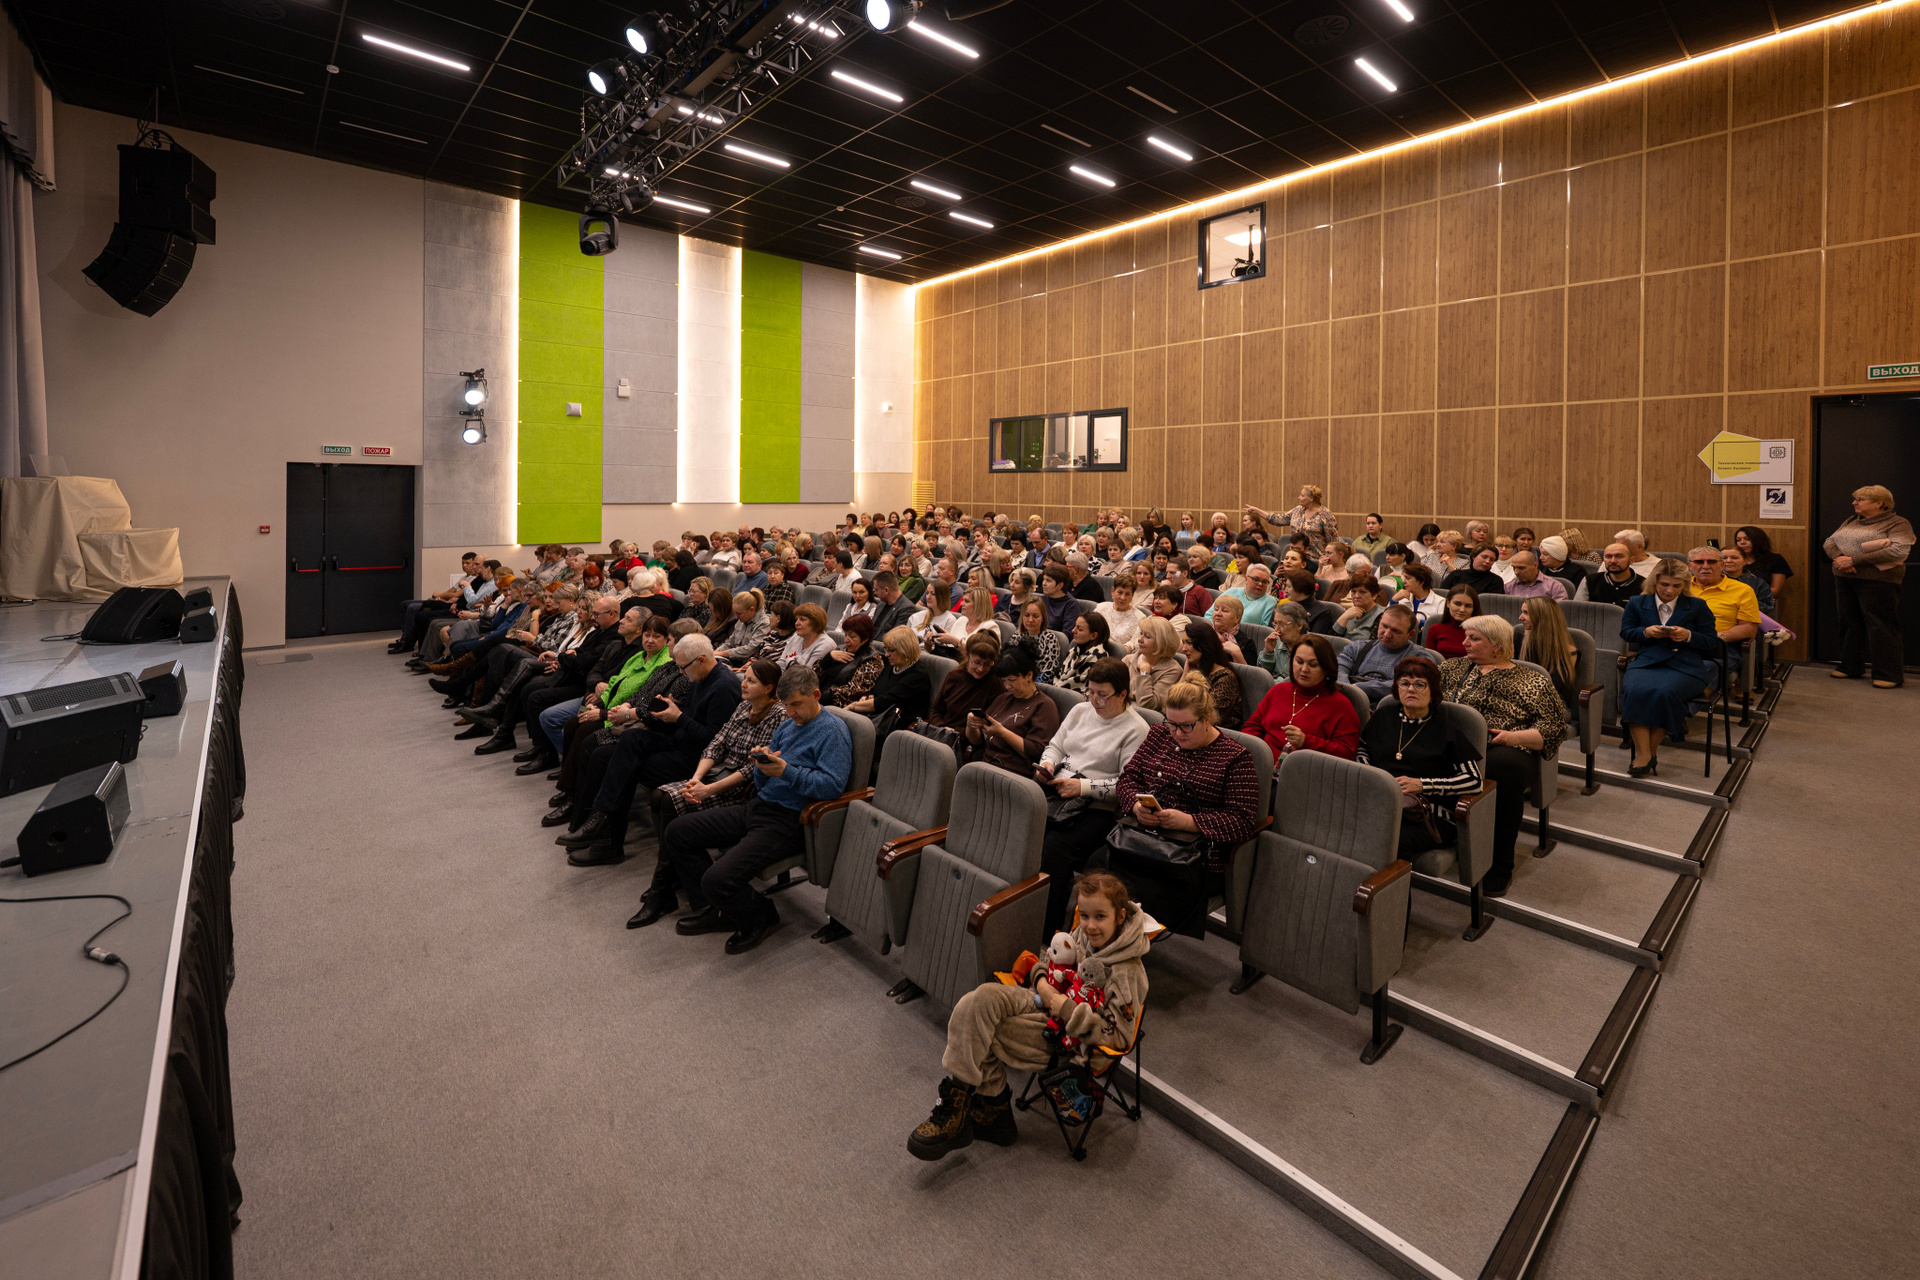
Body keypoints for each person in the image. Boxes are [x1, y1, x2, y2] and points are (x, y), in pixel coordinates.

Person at [909, 871, 1150, 1161]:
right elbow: (1049, 960)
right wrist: (1044, 985)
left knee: (982, 1030)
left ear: (1120, 916)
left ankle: (976, 1109)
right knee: (979, 1001)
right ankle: (981, 1109)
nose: (1089, 925)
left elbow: (1120, 1038)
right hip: (1047, 1002)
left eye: (1100, 916)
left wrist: (1065, 1008)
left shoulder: (1128, 973)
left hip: (1072, 1042)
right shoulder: (1084, 936)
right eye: (1084, 915)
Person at [659, 665, 852, 954]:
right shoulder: (788, 726)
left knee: (717, 879)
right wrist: (762, 766)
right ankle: (718, 909)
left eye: (796, 704)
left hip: (790, 820)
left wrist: (786, 772)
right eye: (786, 705)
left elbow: (832, 786)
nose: (790, 713)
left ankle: (762, 915)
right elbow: (764, 781)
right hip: (760, 806)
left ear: (815, 695)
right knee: (677, 832)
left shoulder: (832, 732)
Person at [560, 633, 745, 865]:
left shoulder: (723, 687)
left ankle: (606, 836)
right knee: (630, 740)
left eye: (683, 667)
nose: (681, 672)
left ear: (701, 660)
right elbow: (691, 718)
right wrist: (672, 710)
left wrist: (678, 717)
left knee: (623, 765)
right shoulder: (701, 676)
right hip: (680, 741)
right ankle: (601, 820)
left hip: (696, 758)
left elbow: (713, 741)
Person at [1099, 680, 1261, 937]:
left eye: (1186, 725)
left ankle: (1124, 948)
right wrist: (1136, 806)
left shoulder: (1235, 758)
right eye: (1171, 724)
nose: (1177, 733)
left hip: (1192, 858)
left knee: (1140, 889)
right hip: (1143, 838)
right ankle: (1107, 945)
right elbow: (1128, 778)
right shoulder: (1158, 735)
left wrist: (1189, 822)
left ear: (1207, 719)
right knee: (1099, 874)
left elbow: (1242, 822)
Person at [1440, 615, 1567, 897]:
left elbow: (1554, 727)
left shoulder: (1531, 680)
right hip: (1456, 742)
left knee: (1502, 769)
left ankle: (1500, 865)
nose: (1465, 642)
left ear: (1497, 645)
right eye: (1466, 636)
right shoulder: (1451, 668)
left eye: (1474, 638)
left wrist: (1512, 737)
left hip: (1508, 748)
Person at [1034, 662, 1153, 936]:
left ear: (1122, 694)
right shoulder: (1080, 710)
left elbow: (1127, 786)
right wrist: (1048, 764)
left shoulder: (1135, 729)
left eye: (1102, 695)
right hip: (1058, 789)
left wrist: (1082, 787)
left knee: (1055, 848)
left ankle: (1048, 929)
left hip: (1097, 808)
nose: (1095, 700)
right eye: (1091, 692)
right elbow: (1055, 746)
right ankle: (1016, 907)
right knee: (1023, 828)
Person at [1356, 655, 1485, 861]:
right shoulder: (1383, 716)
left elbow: (1474, 781)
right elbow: (1362, 750)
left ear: (1433, 691)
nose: (1411, 689)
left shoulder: (1446, 730)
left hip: (1428, 815)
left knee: (1389, 839)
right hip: (1382, 803)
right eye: (1404, 683)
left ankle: (1392, 883)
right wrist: (1373, 776)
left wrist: (1422, 784)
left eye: (1419, 684)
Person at [1620, 559, 1721, 777]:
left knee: (1663, 693)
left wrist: (1688, 635)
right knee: (1633, 691)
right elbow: (1626, 632)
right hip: (1647, 661)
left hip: (1684, 664)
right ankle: (1645, 754)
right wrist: (1645, 632)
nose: (1669, 590)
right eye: (1664, 584)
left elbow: (1711, 641)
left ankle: (1646, 754)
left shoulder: (1697, 606)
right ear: (1654, 582)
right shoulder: (1637, 602)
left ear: (1684, 584)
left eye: (1676, 586)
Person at [1825, 485, 1913, 688]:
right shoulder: (1851, 520)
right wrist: (1840, 559)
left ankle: (1888, 674)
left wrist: (1854, 560)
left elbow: (1898, 551)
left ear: (1879, 503)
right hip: (1844, 577)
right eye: (1855, 499)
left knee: (1881, 625)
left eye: (1860, 499)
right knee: (1848, 622)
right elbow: (1829, 542)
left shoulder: (1898, 523)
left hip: (1879, 581)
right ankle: (1850, 666)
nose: (1854, 503)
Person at [1245, 633, 1361, 761]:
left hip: (1307, 769)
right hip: (1262, 764)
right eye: (1299, 662)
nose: (1304, 669)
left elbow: (1347, 754)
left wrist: (1306, 741)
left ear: (1326, 668)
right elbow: (1251, 727)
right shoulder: (1278, 690)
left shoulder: (1341, 706)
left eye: (1313, 665)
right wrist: (1257, 756)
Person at [966, 645, 1060, 774]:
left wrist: (1003, 733)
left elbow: (1038, 752)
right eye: (1004, 681)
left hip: (1014, 774)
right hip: (986, 766)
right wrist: (971, 725)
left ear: (1029, 675)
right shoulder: (1003, 699)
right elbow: (978, 742)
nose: (1007, 686)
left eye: (1012, 680)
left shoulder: (1044, 706)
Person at [1338, 604, 1441, 705]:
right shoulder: (1356, 648)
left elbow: (1407, 686)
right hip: (1350, 702)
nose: (1387, 634)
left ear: (1410, 634)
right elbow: (1337, 672)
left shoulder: (1419, 658)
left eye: (1396, 631)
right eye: (1384, 626)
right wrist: (1350, 694)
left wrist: (1358, 688)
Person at [1685, 546, 1761, 682]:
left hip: (1721, 647)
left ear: (1722, 565)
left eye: (1712, 562)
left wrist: (1715, 637)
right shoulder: (1679, 587)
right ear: (1689, 566)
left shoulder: (1743, 590)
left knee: (1700, 671)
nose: (1706, 566)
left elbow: (1749, 628)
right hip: (1682, 644)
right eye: (1699, 562)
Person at [1518, 597, 1581, 714]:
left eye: (1526, 613)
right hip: (1519, 699)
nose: (1520, 617)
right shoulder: (1518, 639)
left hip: (1551, 706)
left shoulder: (1568, 652)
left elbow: (1554, 689)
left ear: (1542, 617)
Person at [928, 632, 1003, 729]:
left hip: (969, 736)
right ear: (967, 656)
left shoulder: (995, 684)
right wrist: (941, 727)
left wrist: (956, 733)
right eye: (977, 662)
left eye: (987, 664)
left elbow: (990, 725)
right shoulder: (953, 676)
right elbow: (936, 710)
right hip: (943, 731)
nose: (981, 669)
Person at [1179, 622, 1244, 728]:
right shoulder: (1193, 670)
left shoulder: (1225, 678)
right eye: (1183, 643)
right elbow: (1172, 704)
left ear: (1204, 645)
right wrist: (1185, 674)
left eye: (1189, 643)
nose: (1184, 649)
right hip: (1187, 727)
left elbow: (1209, 718)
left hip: (1215, 733)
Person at [1246, 485, 1338, 555]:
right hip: (1297, 557)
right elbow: (1278, 519)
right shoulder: (1297, 510)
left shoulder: (1326, 515)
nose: (1299, 498)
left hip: (1316, 558)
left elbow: (1332, 540)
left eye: (1302, 495)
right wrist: (1257, 511)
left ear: (1311, 498)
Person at [820, 614, 885, 706]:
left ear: (865, 639)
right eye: (845, 634)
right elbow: (813, 675)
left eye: (852, 637)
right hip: (818, 695)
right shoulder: (840, 649)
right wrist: (827, 658)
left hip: (835, 704)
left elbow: (854, 691)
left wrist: (819, 698)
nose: (846, 640)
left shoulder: (873, 660)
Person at [1129, 616, 1182, 711]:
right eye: (1141, 633)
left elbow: (1147, 705)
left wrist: (1144, 673)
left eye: (1147, 636)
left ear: (1162, 643)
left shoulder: (1173, 671)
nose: (1140, 639)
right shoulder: (1128, 660)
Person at [1207, 560, 1277, 627]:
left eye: (1264, 582)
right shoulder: (1231, 592)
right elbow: (1209, 615)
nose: (1260, 584)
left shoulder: (1270, 602)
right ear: (1246, 579)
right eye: (1256, 580)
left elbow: (1263, 629)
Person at [1056, 611, 1112, 693]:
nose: (1073, 630)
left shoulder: (1100, 659)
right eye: (1075, 626)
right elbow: (1058, 676)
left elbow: (1083, 689)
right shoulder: (1074, 650)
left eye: (1080, 629)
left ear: (1093, 636)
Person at [1734, 525, 1793, 601]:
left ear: (1758, 540)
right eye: (1738, 540)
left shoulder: (1775, 559)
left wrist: (1745, 595)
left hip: (1760, 602)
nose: (1742, 542)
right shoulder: (1732, 560)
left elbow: (1775, 591)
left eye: (1747, 539)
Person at [1015, 598, 1066, 683]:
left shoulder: (1050, 639)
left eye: (1035, 616)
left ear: (1043, 618)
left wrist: (1026, 683)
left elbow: (1048, 674)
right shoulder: (1017, 636)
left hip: (1036, 685)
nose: (1030, 620)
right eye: (1026, 615)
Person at [714, 590, 770, 665]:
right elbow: (730, 642)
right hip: (733, 661)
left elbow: (750, 650)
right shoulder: (741, 620)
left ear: (752, 610)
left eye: (739, 614)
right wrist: (717, 652)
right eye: (735, 613)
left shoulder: (764, 624)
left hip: (749, 665)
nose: (736, 617)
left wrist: (724, 653)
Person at [1258, 600, 1312, 678]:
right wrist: (1268, 653)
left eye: (1282, 625)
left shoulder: (1311, 647)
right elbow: (1262, 674)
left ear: (1299, 625)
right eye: (1275, 624)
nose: (1276, 630)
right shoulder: (1276, 642)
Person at [775, 601, 834, 670]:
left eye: (802, 619)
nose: (796, 623)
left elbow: (807, 674)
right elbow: (782, 662)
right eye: (796, 619)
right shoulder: (796, 637)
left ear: (815, 623)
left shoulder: (825, 645)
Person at [1094, 574, 1147, 651]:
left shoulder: (1140, 618)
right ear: (1113, 591)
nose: (1123, 598)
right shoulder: (1100, 608)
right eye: (1120, 592)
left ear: (1132, 595)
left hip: (1119, 654)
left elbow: (1133, 644)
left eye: (1128, 594)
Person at [1719, 546, 1776, 616]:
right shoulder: (1711, 581)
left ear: (1745, 561)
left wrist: (1738, 605)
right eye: (1724, 558)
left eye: (1734, 558)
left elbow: (1768, 607)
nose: (1728, 561)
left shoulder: (1759, 583)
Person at [1425, 586, 1479, 658]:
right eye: (1457, 604)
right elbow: (1429, 660)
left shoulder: (1480, 632)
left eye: (1468, 606)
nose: (1462, 610)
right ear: (1448, 603)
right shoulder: (1435, 629)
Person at [1333, 573, 1385, 640]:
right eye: (1353, 591)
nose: (1357, 596)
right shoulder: (1348, 613)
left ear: (1374, 595)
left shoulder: (1382, 616)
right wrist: (1344, 617)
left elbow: (1374, 644)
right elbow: (1333, 641)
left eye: (1362, 592)